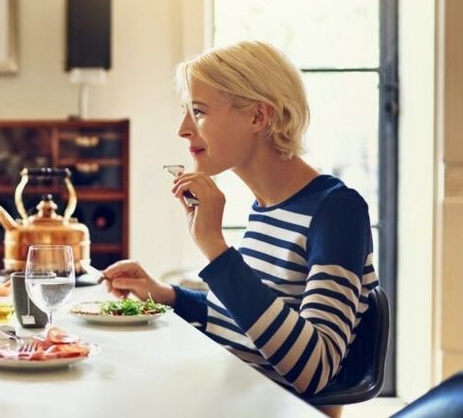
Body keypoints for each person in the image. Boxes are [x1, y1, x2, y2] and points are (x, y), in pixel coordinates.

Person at [103, 40, 378, 398]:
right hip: (232, 394)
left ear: (258, 117)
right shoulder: (267, 205)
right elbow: (249, 322)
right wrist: (166, 295)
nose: (183, 129)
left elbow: (314, 368)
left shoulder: (336, 211)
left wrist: (216, 248)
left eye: (198, 111)